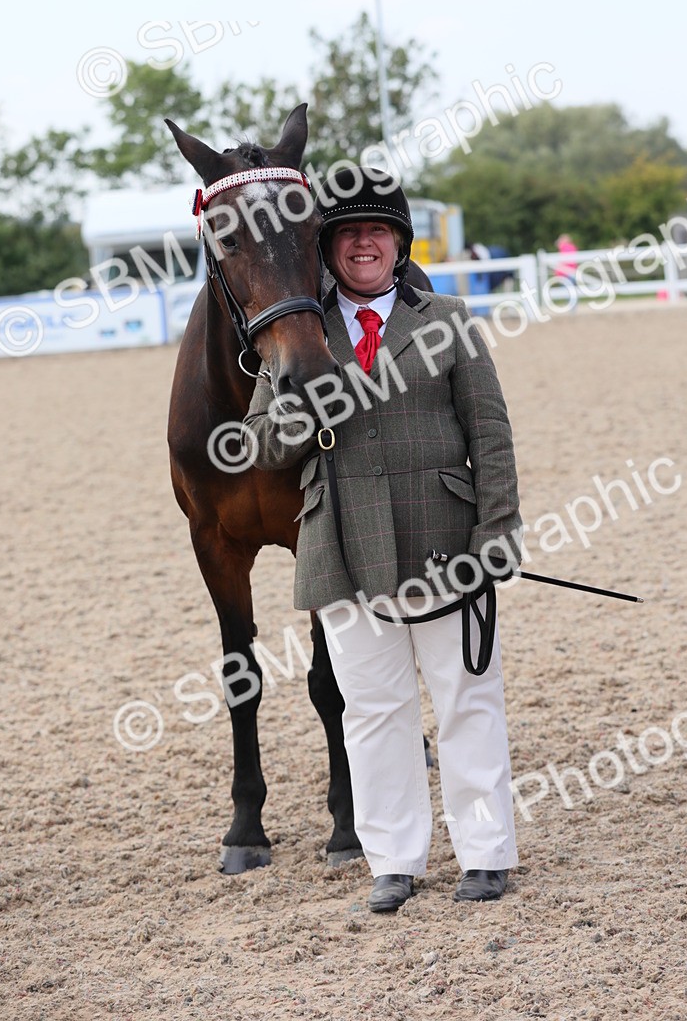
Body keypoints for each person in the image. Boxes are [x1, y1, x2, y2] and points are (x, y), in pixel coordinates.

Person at [244, 166, 523, 912]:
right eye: (348, 233)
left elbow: (489, 432)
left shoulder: (449, 319)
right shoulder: (296, 332)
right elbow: (260, 444)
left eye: (378, 230)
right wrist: (310, 402)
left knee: (466, 700)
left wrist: (499, 529)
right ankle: (393, 860)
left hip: (447, 538)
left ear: (399, 244)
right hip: (339, 544)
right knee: (373, 711)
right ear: (328, 249)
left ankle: (487, 852)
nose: (363, 243)